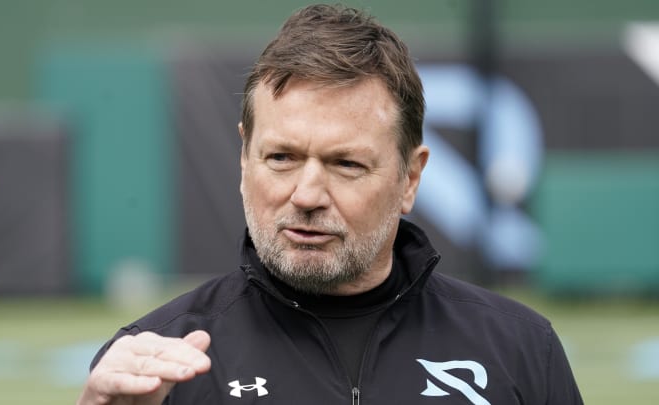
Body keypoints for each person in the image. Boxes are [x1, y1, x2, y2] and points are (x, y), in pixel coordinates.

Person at [77, 4, 583, 404]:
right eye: (281, 157)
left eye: (346, 164)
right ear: (243, 160)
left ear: (410, 178)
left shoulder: (519, 350)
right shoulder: (155, 362)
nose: (306, 195)